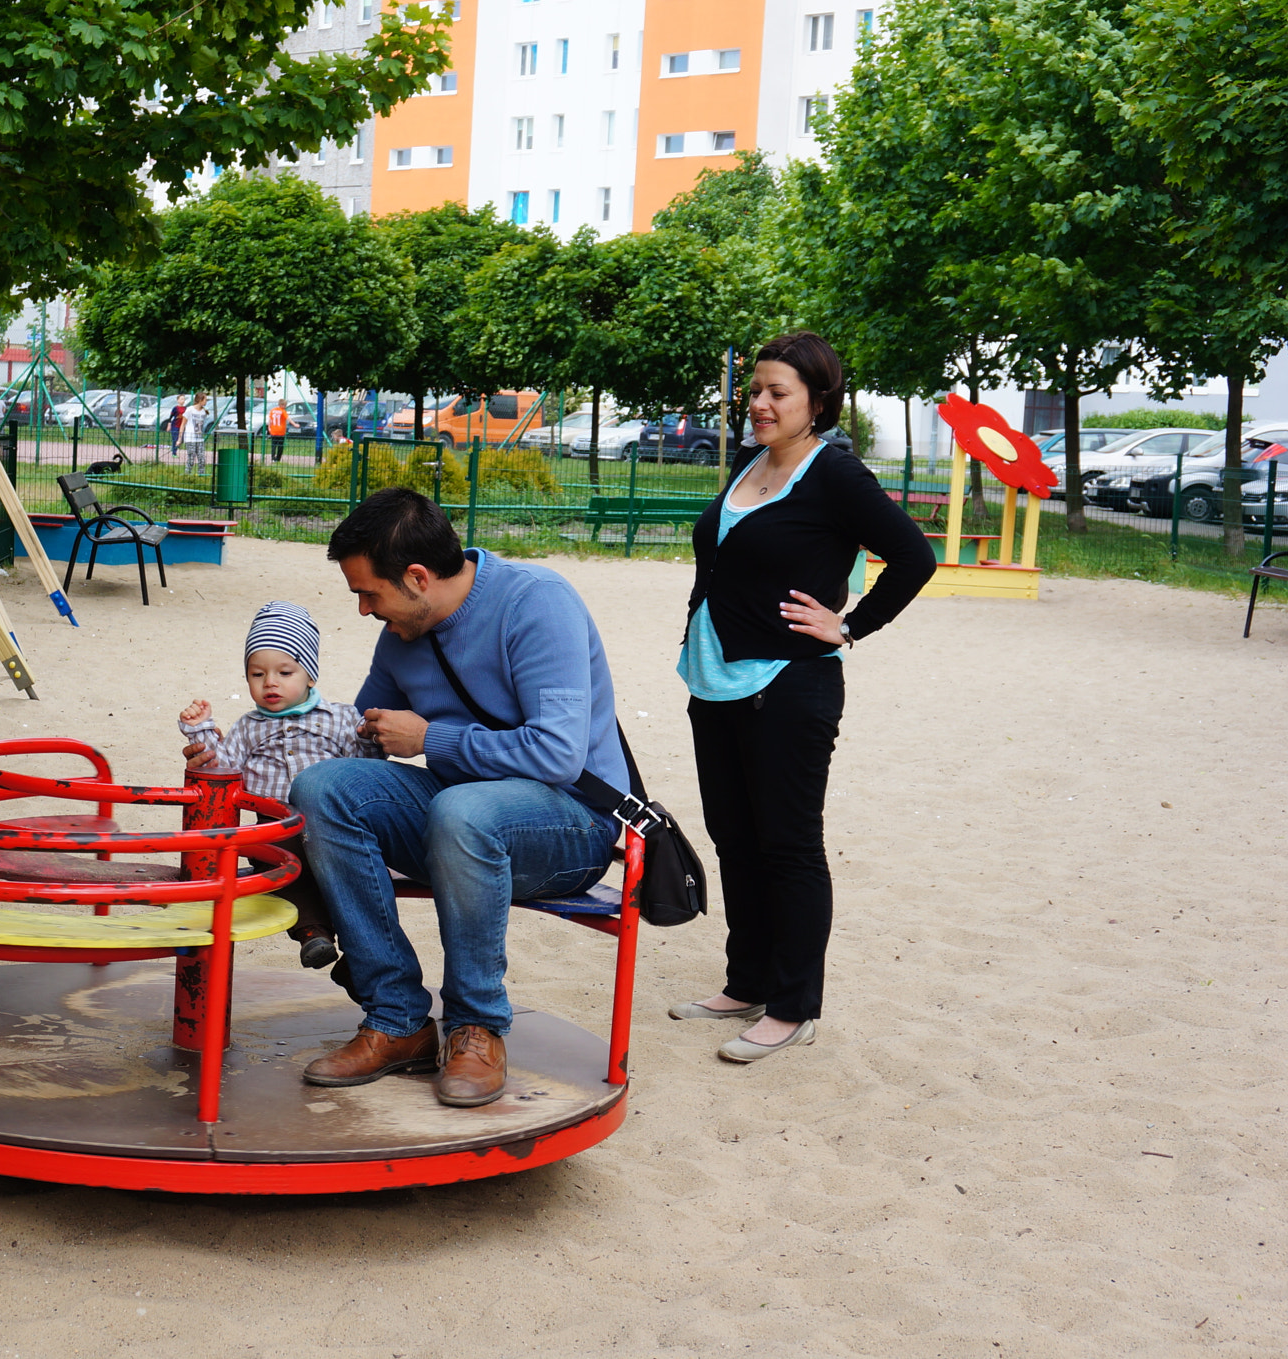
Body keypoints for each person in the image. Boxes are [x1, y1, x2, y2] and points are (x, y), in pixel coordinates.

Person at [287, 488, 628, 1108]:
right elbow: (360, 735)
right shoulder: (402, 631)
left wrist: (432, 737)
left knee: (461, 810)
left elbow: (557, 755)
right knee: (321, 789)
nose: (363, 610)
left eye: (370, 593)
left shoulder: (536, 603)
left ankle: (477, 1028)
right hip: (459, 811)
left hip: (571, 825)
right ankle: (397, 1020)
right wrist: (249, 749)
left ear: (417, 577)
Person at [669, 331, 935, 1063]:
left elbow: (916, 556)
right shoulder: (750, 464)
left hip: (789, 685)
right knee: (733, 835)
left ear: (817, 402)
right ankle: (747, 978)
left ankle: (793, 1004)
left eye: (776, 392)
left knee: (787, 845)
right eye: (754, 390)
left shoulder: (834, 476)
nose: (758, 403)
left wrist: (848, 626)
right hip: (715, 681)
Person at [177, 601, 382, 969]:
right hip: (273, 830)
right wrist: (202, 731)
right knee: (278, 864)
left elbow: (364, 768)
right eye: (257, 674)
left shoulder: (338, 719)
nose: (270, 682)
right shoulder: (248, 727)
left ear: (310, 675)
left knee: (346, 870)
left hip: (327, 824)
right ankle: (313, 934)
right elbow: (223, 769)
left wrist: (372, 738)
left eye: (285, 672)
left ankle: (357, 960)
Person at [183, 396, 210, 472]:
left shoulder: (204, 412)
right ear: (200, 400)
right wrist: (179, 438)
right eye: (205, 400)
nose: (206, 402)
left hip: (199, 438)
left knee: (202, 458)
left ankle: (201, 474)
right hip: (190, 438)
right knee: (191, 458)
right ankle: (187, 474)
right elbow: (183, 423)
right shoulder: (190, 410)